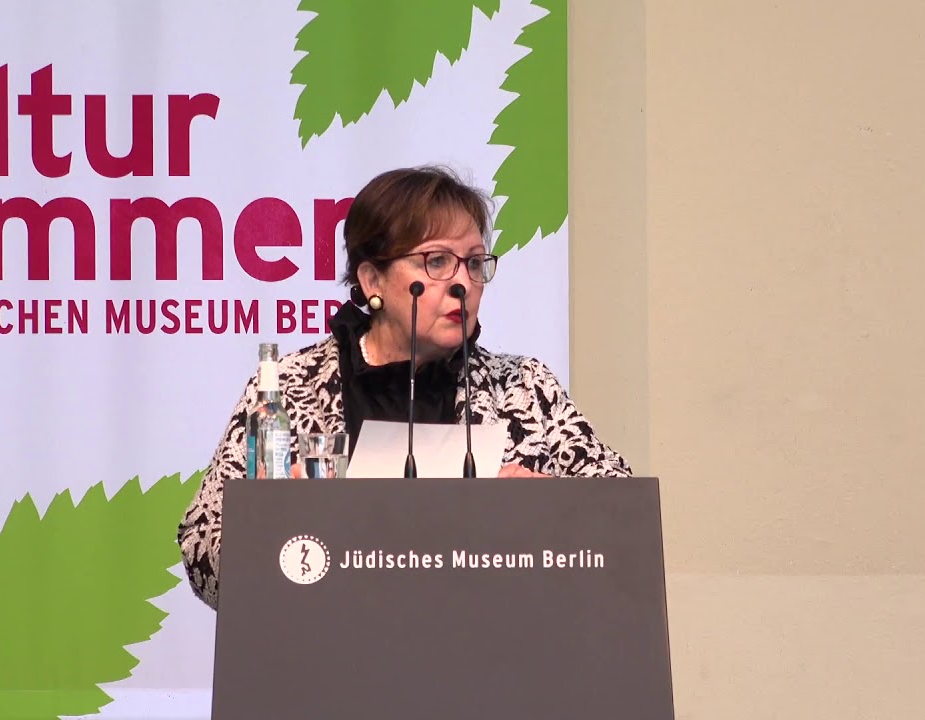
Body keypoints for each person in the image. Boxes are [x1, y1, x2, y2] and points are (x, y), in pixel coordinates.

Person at [177, 166, 632, 610]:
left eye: (474, 263)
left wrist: (553, 508)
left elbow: (624, 523)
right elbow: (202, 549)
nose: (461, 283)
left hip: (493, 664)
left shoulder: (524, 388)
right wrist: (269, 525)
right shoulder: (292, 387)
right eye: (436, 261)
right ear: (372, 279)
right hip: (328, 663)